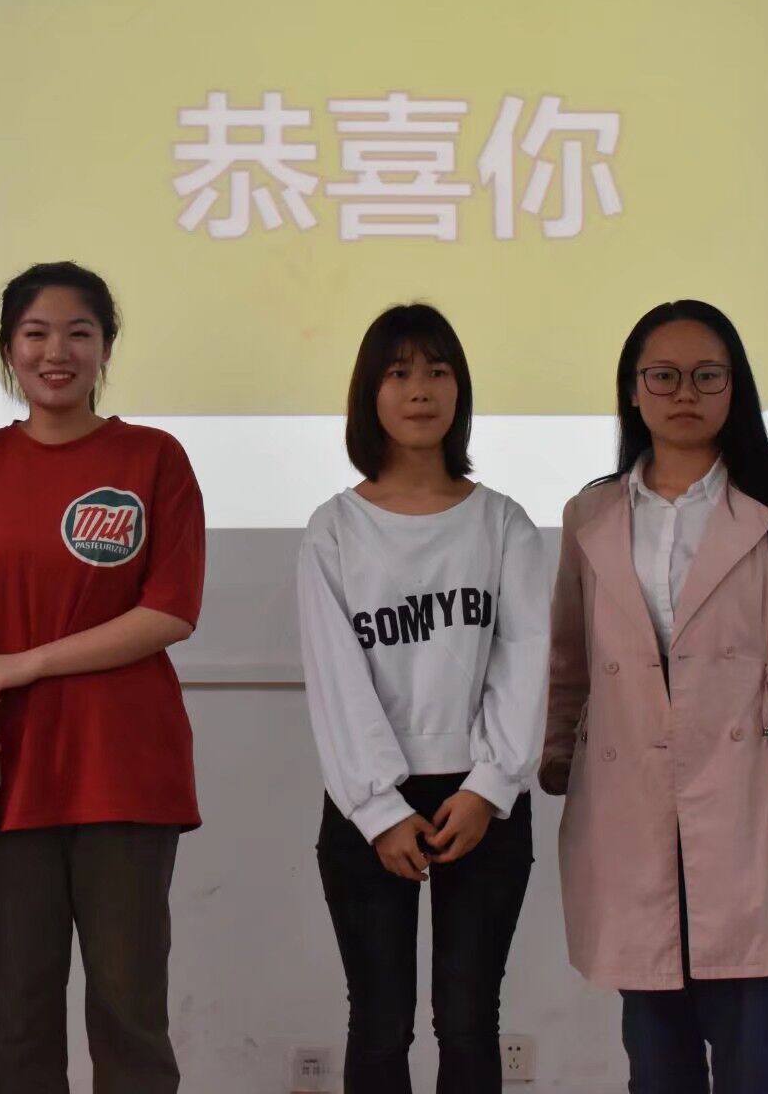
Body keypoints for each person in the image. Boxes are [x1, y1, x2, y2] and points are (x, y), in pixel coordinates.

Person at [543, 299, 768, 1094]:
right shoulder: (592, 512)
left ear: (734, 387)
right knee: (655, 1052)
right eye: (664, 375)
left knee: (753, 1049)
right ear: (633, 388)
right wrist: (553, 754)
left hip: (749, 798)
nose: (686, 392)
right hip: (629, 801)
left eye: (708, 375)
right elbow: (571, 656)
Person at [0, 260, 205, 1094]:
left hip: (126, 770)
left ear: (105, 348)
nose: (55, 352)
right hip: (10, 769)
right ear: (7, 348)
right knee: (20, 1017)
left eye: (78, 333)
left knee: (130, 1016)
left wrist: (27, 662)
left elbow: (170, 611)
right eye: (35, 333)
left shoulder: (153, 457)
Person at [298, 302, 548, 1093]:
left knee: (469, 1022)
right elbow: (335, 677)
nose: (420, 390)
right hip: (370, 804)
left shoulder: (502, 523)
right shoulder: (334, 529)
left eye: (438, 371)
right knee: (380, 1026)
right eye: (399, 372)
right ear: (368, 393)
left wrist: (489, 786)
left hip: (481, 802)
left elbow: (524, 661)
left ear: (459, 389)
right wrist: (379, 808)